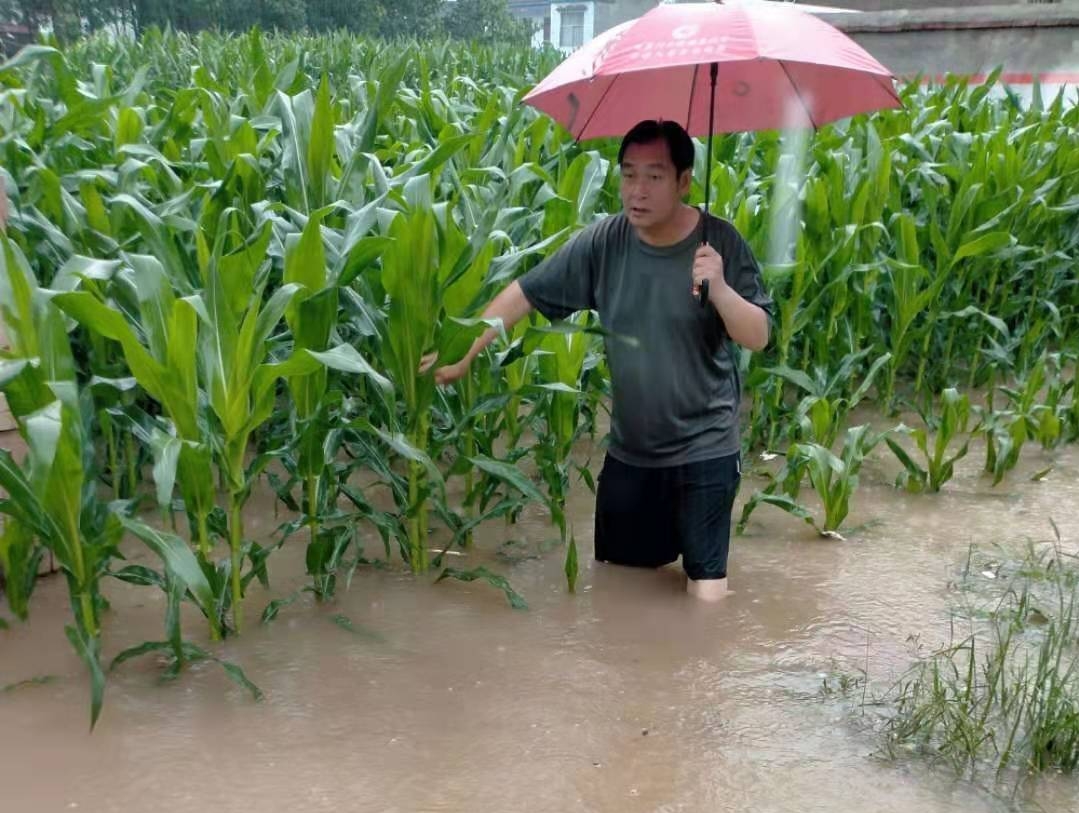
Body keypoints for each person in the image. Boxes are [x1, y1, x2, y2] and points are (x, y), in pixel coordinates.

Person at [428, 120, 773, 602]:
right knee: (617, 585)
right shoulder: (605, 242)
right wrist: (463, 352)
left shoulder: (720, 244)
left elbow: (758, 335)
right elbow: (525, 292)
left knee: (706, 596)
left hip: (705, 449)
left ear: (684, 181)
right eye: (628, 174)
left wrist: (719, 288)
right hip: (632, 452)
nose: (637, 190)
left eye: (654, 176)